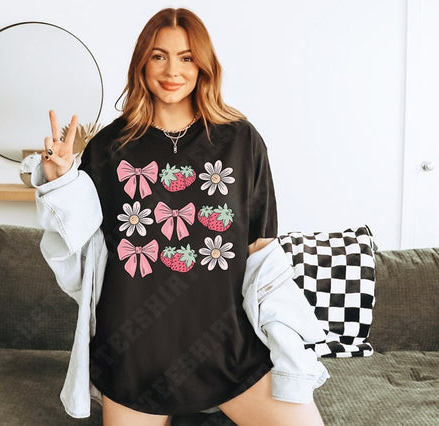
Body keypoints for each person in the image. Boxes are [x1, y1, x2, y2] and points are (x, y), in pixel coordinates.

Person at [34, 7, 327, 426]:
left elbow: (261, 249)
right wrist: (62, 181)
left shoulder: (241, 141)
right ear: (142, 63)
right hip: (134, 356)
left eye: (186, 57)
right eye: (159, 56)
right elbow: (79, 249)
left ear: (203, 65)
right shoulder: (109, 147)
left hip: (229, 349)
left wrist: (285, 341)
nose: (172, 70)